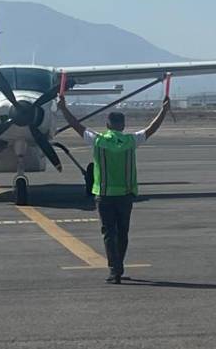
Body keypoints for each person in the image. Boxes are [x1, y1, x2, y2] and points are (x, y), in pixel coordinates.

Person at [56, 96, 171, 283]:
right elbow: (151, 129)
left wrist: (63, 108)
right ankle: (119, 265)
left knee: (109, 233)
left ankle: (114, 269)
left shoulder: (99, 140)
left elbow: (77, 126)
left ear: (107, 125)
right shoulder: (130, 141)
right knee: (122, 232)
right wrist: (163, 111)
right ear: (123, 126)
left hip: (104, 195)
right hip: (125, 195)